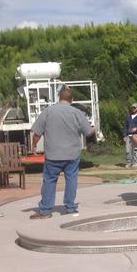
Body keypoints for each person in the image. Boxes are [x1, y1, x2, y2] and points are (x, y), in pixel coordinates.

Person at [29, 86, 94, 219]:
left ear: (59, 97)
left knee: (50, 181)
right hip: (72, 154)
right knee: (71, 180)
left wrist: (34, 145)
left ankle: (46, 210)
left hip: (53, 154)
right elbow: (88, 132)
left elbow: (37, 132)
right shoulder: (77, 113)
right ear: (72, 99)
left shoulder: (48, 111)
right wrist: (93, 129)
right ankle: (70, 207)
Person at [123, 102, 137, 167]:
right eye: (132, 107)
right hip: (129, 135)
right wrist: (124, 135)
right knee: (127, 150)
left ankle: (136, 162)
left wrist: (136, 128)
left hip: (136, 135)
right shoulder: (128, 116)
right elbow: (125, 126)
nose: (133, 109)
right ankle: (129, 162)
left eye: (134, 107)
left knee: (135, 150)